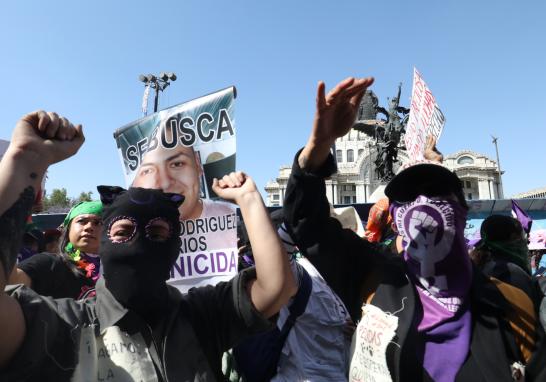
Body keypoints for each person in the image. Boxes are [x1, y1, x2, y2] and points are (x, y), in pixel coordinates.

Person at [282, 77, 546, 381]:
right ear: (396, 217)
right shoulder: (376, 281)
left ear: (461, 212)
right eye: (409, 196)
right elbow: (306, 222)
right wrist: (319, 145)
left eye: (435, 191)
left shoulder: (511, 305)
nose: (423, 203)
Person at [0, 110, 297, 381]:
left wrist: (249, 200)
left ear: (175, 246)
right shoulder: (61, 325)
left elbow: (276, 287)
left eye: (157, 232)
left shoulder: (199, 315)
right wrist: (24, 160)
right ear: (105, 242)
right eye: (123, 231)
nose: (139, 241)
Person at [132, 132, 238, 293]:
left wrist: (250, 199)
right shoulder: (129, 234)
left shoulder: (229, 216)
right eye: (147, 171)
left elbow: (273, 289)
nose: (165, 183)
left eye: (177, 164)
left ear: (198, 164)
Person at [9, 200, 103, 299]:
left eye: (98, 222)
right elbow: (9, 283)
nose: (89, 227)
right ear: (68, 230)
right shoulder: (50, 263)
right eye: (81, 221)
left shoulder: (117, 269)